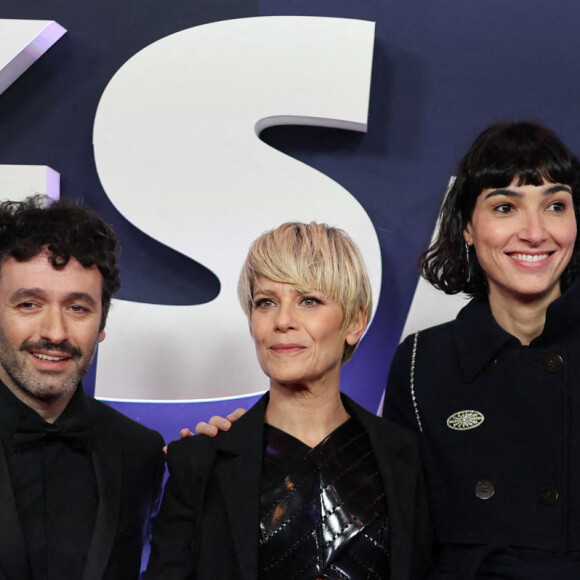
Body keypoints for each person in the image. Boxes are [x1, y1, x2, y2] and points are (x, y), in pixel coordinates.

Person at [145, 222, 432, 579]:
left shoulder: (405, 457)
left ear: (355, 322)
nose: (282, 320)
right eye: (266, 302)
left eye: (308, 301)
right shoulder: (200, 462)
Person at [383, 121, 580, 578]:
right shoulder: (420, 366)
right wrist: (247, 441)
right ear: (467, 227)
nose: (535, 233)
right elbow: (398, 537)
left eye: (555, 205)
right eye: (506, 207)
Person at [0, 195, 165, 580]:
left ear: (102, 323)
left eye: (77, 308)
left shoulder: (140, 453)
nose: (55, 333)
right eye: (28, 304)